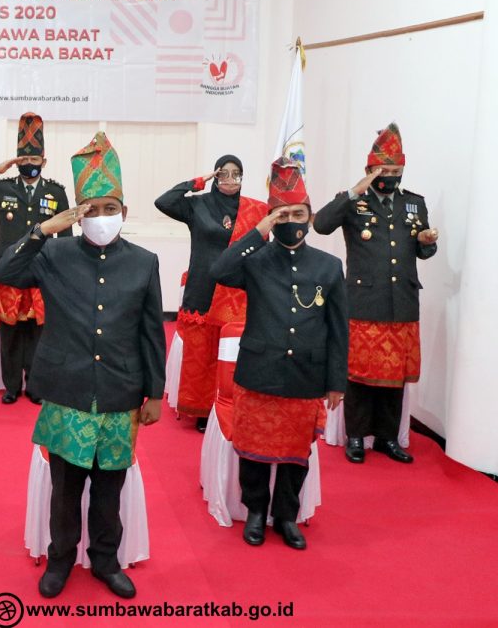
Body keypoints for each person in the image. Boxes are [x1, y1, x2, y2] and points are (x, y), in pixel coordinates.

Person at [0, 132, 165, 599]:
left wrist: (155, 392)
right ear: (78, 212)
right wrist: (45, 229)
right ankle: (61, 561)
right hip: (67, 392)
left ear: (124, 214)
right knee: (65, 491)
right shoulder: (54, 253)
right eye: (92, 208)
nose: (102, 217)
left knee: (109, 492)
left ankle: (106, 562)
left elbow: (152, 331)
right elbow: (5, 272)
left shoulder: (144, 263)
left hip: (119, 393)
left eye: (111, 208)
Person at [210, 157, 348, 550]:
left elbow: (338, 330)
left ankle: (286, 516)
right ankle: (255, 511)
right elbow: (219, 270)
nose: (292, 219)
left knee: (294, 455)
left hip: (305, 376)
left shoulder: (328, 266)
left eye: (298, 213)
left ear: (310, 215)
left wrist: (336, 381)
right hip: (259, 371)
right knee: (253, 451)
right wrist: (258, 232)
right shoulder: (255, 262)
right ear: (272, 216)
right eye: (283, 213)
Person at [313, 123, 438, 464]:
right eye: (383, 171)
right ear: (369, 170)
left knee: (394, 377)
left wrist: (428, 244)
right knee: (359, 375)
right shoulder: (354, 203)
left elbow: (422, 250)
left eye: (396, 171)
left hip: (402, 303)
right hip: (364, 301)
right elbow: (321, 223)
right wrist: (356, 190)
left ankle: (386, 437)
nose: (390, 177)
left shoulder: (414, 204)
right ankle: (356, 435)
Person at [0, 112, 72, 404]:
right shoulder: (3, 188)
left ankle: (35, 387)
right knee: (10, 334)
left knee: (39, 334)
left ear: (44, 162)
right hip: (10, 272)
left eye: (34, 162)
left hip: (43, 272)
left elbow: (67, 237)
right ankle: (12, 387)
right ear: (17, 161)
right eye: (23, 161)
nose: (28, 166)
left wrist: (66, 276)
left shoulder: (55, 192)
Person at [154, 155, 266, 431]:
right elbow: (163, 201)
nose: (230, 180)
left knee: (231, 351)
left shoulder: (256, 210)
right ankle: (203, 409)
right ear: (215, 177)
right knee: (203, 353)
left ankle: (232, 404)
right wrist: (196, 182)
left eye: (236, 174)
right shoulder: (198, 205)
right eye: (223, 174)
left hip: (239, 289)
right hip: (203, 286)